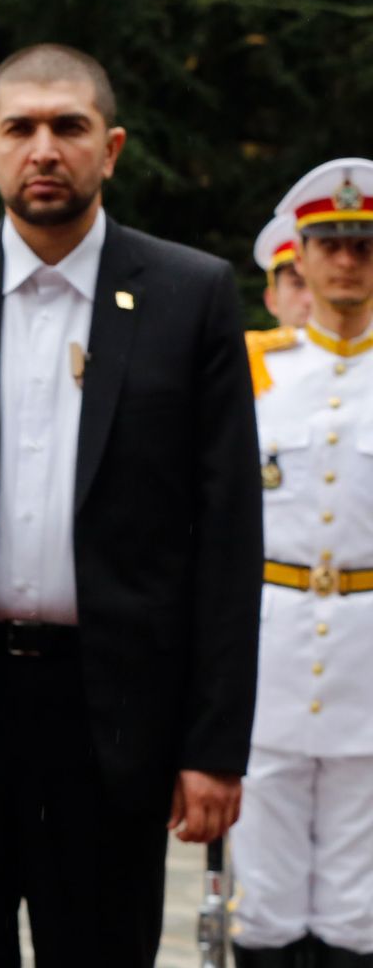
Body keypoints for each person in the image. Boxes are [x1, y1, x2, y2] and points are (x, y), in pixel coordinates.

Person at [0, 43, 262, 967]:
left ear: (112, 147)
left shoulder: (193, 297)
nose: (44, 148)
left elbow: (227, 539)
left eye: (68, 127)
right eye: (20, 129)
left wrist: (215, 745)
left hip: (113, 714)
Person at [230, 157, 373, 968]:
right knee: (267, 902)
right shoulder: (257, 369)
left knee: (360, 908)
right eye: (331, 244)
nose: (348, 260)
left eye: (363, 244)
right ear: (302, 253)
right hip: (272, 656)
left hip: (369, 667)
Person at [256, 212, 313, 331]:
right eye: (298, 284)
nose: (311, 299)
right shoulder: (251, 350)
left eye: (319, 284)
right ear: (272, 299)